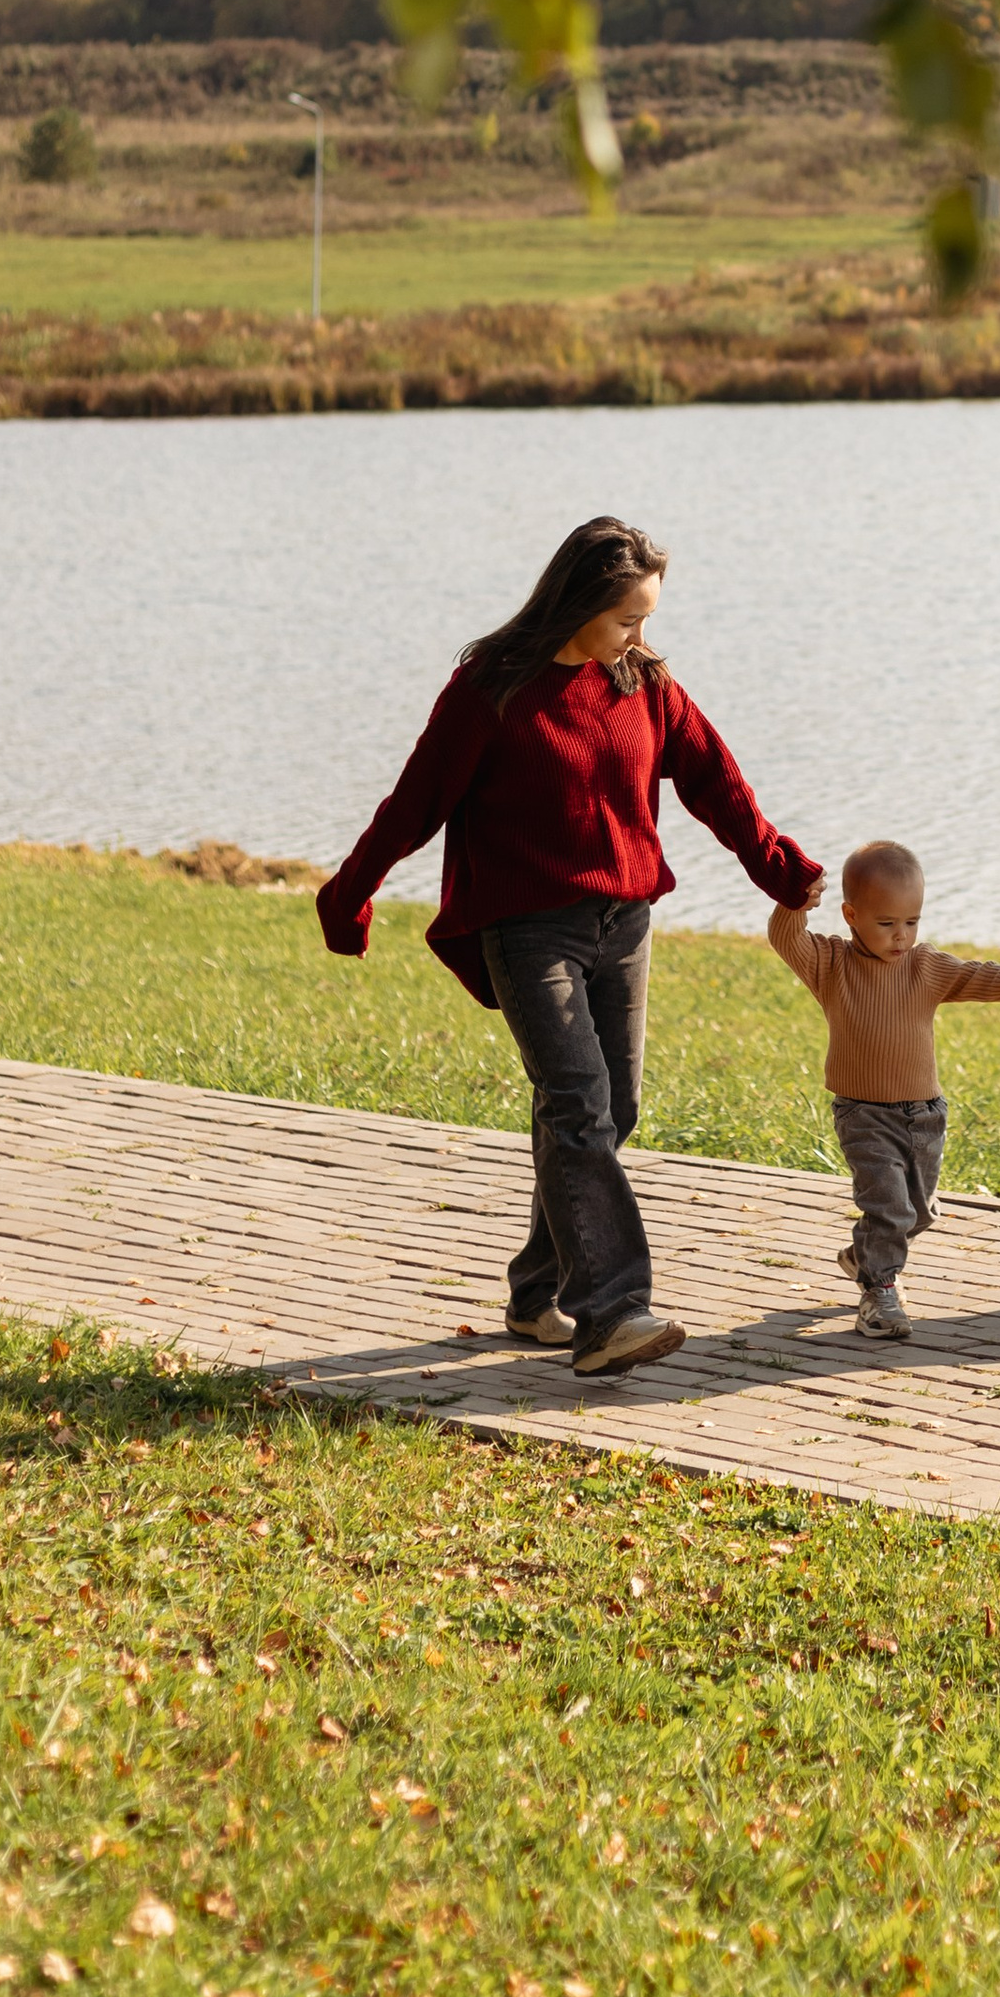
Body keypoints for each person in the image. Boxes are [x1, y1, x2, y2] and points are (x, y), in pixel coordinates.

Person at [315, 516, 819, 1380]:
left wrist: (780, 867)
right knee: (578, 1101)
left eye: (648, 619)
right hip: (527, 929)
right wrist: (350, 892)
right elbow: (414, 803)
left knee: (608, 1112)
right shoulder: (492, 691)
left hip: (623, 924)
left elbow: (714, 780)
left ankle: (533, 1293)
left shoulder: (642, 683)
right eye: (629, 618)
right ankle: (612, 1313)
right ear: (581, 603)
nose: (642, 636)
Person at [768, 842, 1000, 1340]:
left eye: (912, 922)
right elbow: (784, 936)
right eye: (886, 923)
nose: (901, 936)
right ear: (851, 915)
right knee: (890, 1208)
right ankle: (879, 1293)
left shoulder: (924, 967)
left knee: (919, 1212)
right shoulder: (830, 964)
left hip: (925, 1113)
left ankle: (864, 1255)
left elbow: (978, 975)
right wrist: (795, 900)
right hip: (863, 1112)